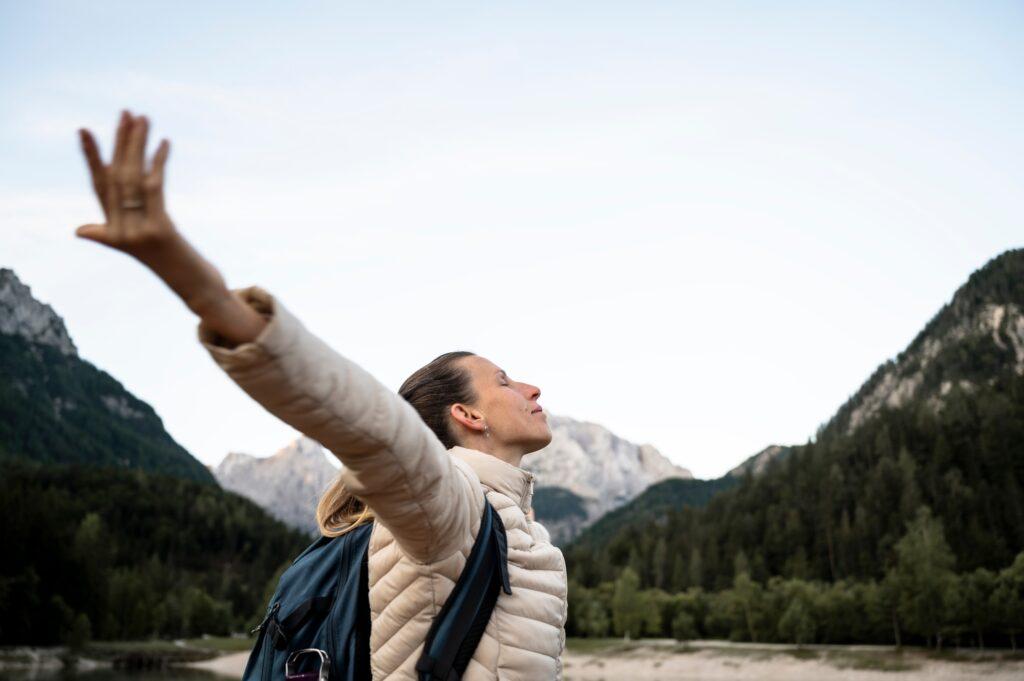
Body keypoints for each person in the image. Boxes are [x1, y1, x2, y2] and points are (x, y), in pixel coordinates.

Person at [76, 110, 568, 680]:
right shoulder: (447, 505)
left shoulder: (511, 522)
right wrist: (200, 288)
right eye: (504, 381)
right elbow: (367, 424)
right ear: (466, 414)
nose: (531, 387)